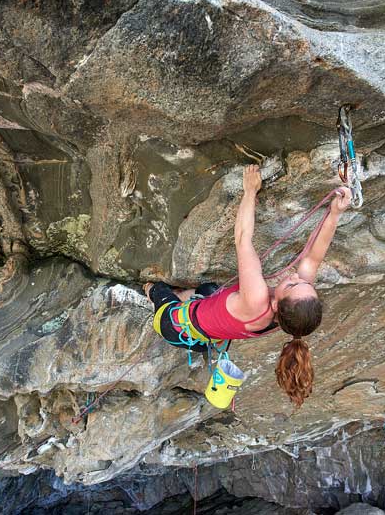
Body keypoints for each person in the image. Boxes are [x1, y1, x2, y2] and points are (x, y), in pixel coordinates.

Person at [145, 165, 352, 407]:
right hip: (207, 332)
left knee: (157, 289)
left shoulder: (257, 300)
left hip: (175, 327)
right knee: (208, 290)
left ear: (276, 303)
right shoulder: (290, 316)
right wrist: (335, 214)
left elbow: (243, 239)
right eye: (303, 282)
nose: (296, 277)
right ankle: (187, 297)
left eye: (292, 284)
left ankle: (153, 294)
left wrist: (250, 191)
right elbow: (313, 258)